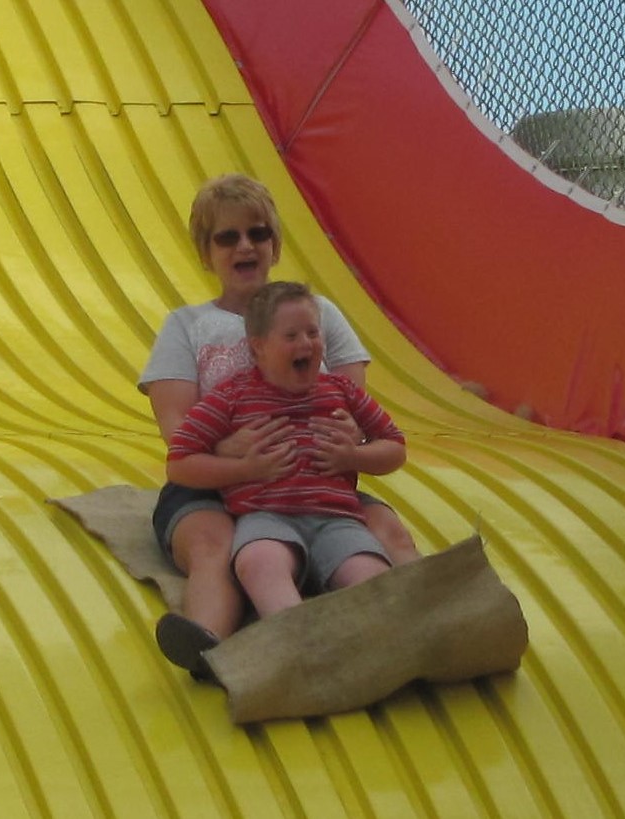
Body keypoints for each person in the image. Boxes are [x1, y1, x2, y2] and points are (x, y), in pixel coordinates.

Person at [139, 173, 420, 676]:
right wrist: (238, 460)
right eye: (227, 236)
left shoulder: (317, 313)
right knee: (216, 544)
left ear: (275, 244)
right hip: (215, 487)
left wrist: (343, 449)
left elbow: (353, 404)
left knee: (384, 528)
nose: (245, 245)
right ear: (206, 253)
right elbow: (176, 428)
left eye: (258, 233)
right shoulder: (187, 325)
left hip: (313, 478)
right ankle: (209, 644)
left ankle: (430, 617)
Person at [167, 281, 405, 618]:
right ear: (258, 348)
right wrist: (245, 470)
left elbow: (395, 446)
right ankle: (297, 635)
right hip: (266, 518)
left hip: (336, 519)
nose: (306, 343)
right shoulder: (233, 397)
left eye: (312, 332)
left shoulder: (340, 390)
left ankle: (385, 640)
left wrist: (354, 457)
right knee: (259, 562)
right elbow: (179, 462)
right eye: (291, 336)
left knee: (370, 573)